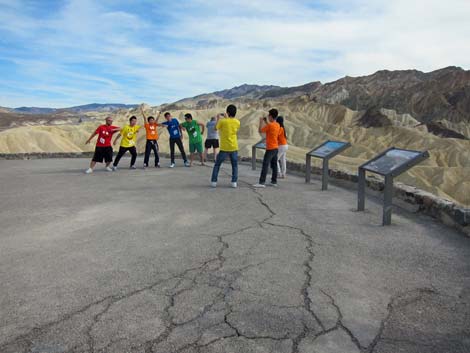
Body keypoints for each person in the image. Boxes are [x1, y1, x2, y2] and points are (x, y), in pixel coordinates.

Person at [210, 104, 240, 188]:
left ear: (227, 112)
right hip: (234, 146)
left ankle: (214, 181)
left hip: (224, 147)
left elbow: (215, 128)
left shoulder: (222, 121)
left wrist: (219, 119)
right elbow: (232, 126)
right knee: (234, 165)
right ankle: (234, 182)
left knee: (217, 165)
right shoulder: (237, 122)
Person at [253, 109, 282, 188]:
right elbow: (270, 128)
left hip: (270, 148)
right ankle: (274, 181)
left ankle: (261, 182)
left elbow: (260, 130)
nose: (268, 117)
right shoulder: (277, 125)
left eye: (269, 116)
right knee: (274, 165)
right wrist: (266, 122)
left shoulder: (270, 125)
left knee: (265, 165)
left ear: (271, 116)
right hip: (276, 147)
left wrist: (261, 122)